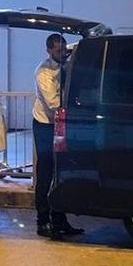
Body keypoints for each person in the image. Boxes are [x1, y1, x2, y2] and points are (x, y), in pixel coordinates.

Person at [32, 33, 83, 239]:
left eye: (64, 50)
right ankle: (42, 221)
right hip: (45, 124)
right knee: (45, 172)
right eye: (58, 51)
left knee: (59, 172)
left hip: (60, 124)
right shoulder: (44, 72)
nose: (62, 54)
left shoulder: (66, 66)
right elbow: (53, 103)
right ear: (49, 50)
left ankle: (60, 220)